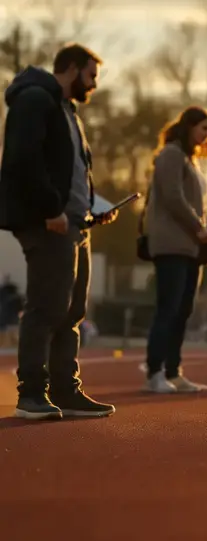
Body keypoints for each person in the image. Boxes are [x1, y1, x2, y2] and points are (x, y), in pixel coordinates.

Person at [0, 43, 119, 420]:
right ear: (71, 68)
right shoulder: (36, 99)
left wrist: (91, 211)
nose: (94, 85)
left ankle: (66, 390)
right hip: (47, 222)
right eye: (91, 76)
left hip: (73, 224)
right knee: (46, 307)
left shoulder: (68, 111)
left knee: (71, 311)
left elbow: (71, 171)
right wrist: (51, 209)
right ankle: (31, 393)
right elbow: (22, 157)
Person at [141, 106, 207, 394]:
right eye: (203, 129)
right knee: (169, 308)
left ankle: (174, 371)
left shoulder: (192, 161)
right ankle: (154, 372)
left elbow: (200, 208)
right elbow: (173, 198)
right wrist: (197, 228)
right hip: (171, 244)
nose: (206, 136)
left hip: (191, 246)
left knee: (183, 311)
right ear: (188, 127)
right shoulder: (171, 155)